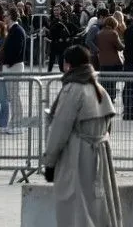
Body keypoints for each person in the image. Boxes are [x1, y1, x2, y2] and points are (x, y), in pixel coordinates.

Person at [40, 45, 123, 227]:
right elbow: (108, 127)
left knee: (75, 210)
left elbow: (59, 129)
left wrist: (50, 162)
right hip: (100, 155)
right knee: (98, 207)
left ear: (68, 65)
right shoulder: (99, 89)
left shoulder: (73, 90)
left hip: (76, 156)